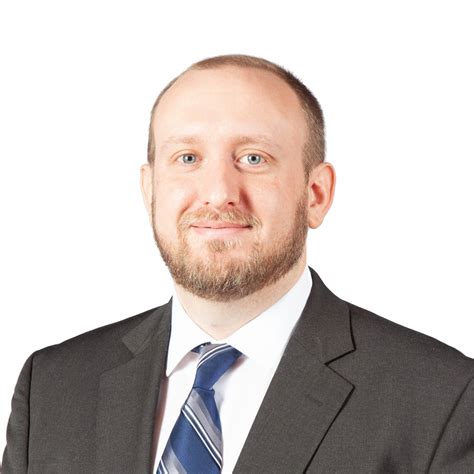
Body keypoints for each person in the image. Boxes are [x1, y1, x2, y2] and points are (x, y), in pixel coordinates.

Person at [2, 54, 473, 474]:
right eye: (187, 157)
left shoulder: (442, 398)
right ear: (149, 191)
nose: (218, 193)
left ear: (316, 194)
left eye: (253, 158)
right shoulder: (54, 386)